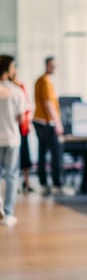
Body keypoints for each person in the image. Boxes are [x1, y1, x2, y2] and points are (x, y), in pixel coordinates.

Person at [0, 55, 25, 226]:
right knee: (11, 176)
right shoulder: (16, 91)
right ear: (8, 70)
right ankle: (8, 213)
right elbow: (21, 118)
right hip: (11, 139)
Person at [33, 56, 64, 196]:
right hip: (46, 122)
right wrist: (58, 123)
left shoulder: (41, 80)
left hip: (38, 121)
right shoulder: (45, 82)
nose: (55, 69)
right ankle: (57, 184)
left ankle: (43, 183)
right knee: (56, 153)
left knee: (42, 153)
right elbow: (48, 104)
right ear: (47, 66)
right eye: (52, 66)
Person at [8, 66, 34, 193]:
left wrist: (27, 121)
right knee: (11, 161)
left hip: (21, 127)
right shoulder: (6, 88)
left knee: (24, 155)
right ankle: (14, 185)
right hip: (9, 128)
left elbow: (26, 107)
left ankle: (26, 182)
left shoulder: (20, 87)